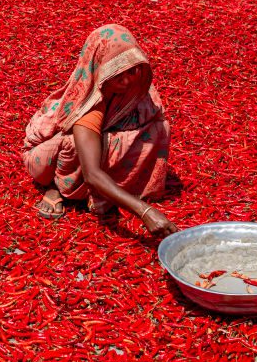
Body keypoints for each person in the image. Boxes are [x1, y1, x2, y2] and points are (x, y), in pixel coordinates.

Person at [22, 24, 176, 237]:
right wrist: (144, 211)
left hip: (96, 151)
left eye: (132, 71)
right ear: (99, 68)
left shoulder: (137, 89)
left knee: (157, 129)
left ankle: (114, 190)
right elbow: (92, 173)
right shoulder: (89, 104)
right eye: (117, 74)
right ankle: (57, 186)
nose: (126, 80)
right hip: (53, 159)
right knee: (75, 143)